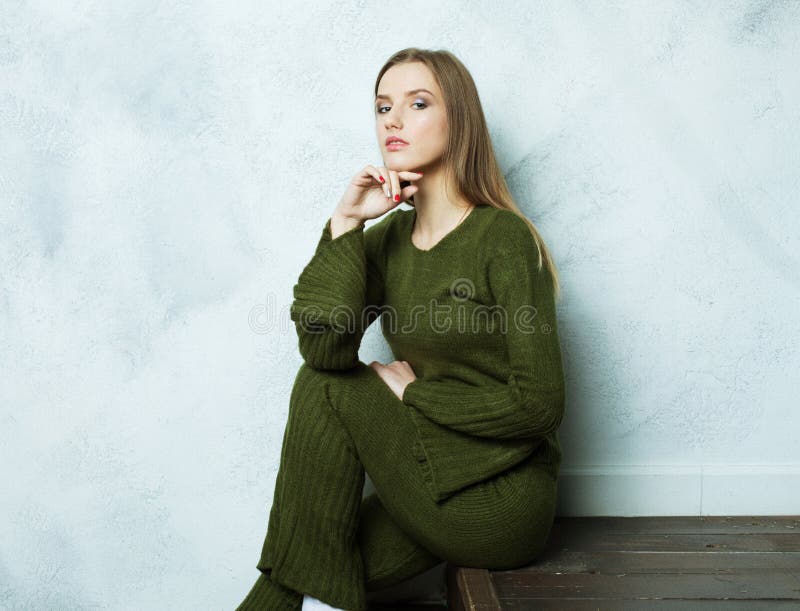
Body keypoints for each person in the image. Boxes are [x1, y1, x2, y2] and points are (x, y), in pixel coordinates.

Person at [236, 47, 566, 611]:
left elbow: (539, 404)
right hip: (428, 468)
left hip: (502, 497)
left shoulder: (503, 239)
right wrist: (344, 225)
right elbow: (324, 346)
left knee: (326, 396)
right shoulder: (386, 243)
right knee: (310, 559)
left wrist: (412, 393)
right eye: (383, 106)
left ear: (457, 119)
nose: (392, 119)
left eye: (417, 103)